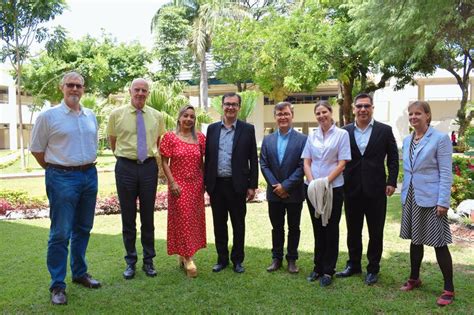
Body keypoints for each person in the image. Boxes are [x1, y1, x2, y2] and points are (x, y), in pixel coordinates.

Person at [30, 72, 101, 305]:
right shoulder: (48, 116)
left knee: (83, 228)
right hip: (61, 177)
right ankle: (57, 285)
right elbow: (37, 150)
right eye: (70, 85)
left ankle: (80, 273)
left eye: (78, 85)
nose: (74, 89)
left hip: (89, 175)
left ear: (83, 89)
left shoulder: (90, 116)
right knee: (60, 232)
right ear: (62, 87)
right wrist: (57, 170)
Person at [336, 93, 399, 285]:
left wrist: (391, 181)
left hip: (376, 190)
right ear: (354, 109)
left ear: (372, 108)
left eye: (367, 106)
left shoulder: (385, 131)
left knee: (375, 231)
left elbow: (394, 158)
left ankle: (373, 268)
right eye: (359, 106)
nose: (363, 109)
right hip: (351, 189)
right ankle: (353, 264)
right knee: (353, 230)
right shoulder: (344, 132)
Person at [107, 78, 165, 280]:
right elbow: (112, 142)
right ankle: (130, 262)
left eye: (144, 90)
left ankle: (149, 261)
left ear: (148, 93)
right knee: (128, 218)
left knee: (148, 217)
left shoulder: (157, 116)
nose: (140, 93)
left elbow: (159, 141)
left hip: (148, 167)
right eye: (137, 89)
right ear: (130, 91)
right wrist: (126, 159)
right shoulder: (116, 115)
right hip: (125, 168)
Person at [399, 101, 454, 306]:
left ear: (428, 116)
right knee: (415, 240)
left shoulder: (440, 139)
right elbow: (409, 170)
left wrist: (443, 201)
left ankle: (449, 288)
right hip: (412, 195)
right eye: (411, 113)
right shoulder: (407, 140)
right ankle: (414, 278)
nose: (414, 117)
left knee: (439, 242)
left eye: (418, 113)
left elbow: (446, 172)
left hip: (432, 199)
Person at [204, 92, 258, 274]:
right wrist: (207, 184)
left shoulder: (247, 129)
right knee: (219, 225)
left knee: (238, 225)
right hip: (217, 186)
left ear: (239, 107)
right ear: (222, 106)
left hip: (238, 186)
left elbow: (253, 159)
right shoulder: (211, 130)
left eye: (234, 104)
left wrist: (252, 185)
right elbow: (208, 159)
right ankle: (222, 259)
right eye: (227, 104)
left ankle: (237, 261)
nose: (231, 107)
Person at [302, 101, 351, 287]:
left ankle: (328, 270)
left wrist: (325, 182)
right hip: (313, 189)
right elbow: (306, 162)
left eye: (324, 112)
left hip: (333, 188)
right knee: (317, 228)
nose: (321, 116)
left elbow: (342, 163)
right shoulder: (312, 135)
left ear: (331, 112)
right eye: (318, 113)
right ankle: (317, 267)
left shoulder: (342, 135)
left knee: (330, 228)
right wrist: (314, 183)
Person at [260, 102, 307, 274]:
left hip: (294, 192)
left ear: (292, 116)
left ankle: (292, 260)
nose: (283, 117)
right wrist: (277, 187)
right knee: (277, 227)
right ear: (275, 117)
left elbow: (303, 165)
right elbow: (263, 164)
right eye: (279, 114)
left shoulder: (303, 139)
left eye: (286, 114)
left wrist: (286, 186)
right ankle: (276, 258)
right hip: (274, 194)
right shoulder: (268, 139)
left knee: (294, 227)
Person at [160, 105, 206, 278]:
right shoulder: (170, 137)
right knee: (183, 220)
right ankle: (188, 259)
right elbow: (164, 162)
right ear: (179, 118)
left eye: (192, 117)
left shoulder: (200, 138)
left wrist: (204, 182)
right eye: (185, 116)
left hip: (196, 185)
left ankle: (184, 254)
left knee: (192, 220)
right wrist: (172, 183)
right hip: (178, 185)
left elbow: (202, 161)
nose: (188, 119)